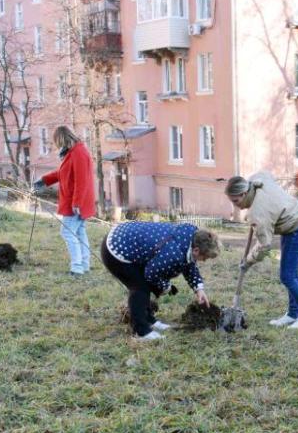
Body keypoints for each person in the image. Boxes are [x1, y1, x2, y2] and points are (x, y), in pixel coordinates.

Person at [225, 172, 298, 330]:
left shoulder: (258, 214)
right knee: (291, 275)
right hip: (291, 225)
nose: (235, 205)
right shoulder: (256, 182)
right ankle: (293, 314)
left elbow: (264, 246)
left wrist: (248, 261)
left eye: (236, 200)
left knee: (287, 276)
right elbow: (264, 173)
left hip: (297, 229)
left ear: (244, 193)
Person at [100, 221, 220, 340]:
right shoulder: (174, 253)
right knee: (140, 287)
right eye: (205, 257)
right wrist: (166, 287)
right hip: (116, 249)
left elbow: (189, 264)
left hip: (126, 239)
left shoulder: (189, 237)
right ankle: (141, 331)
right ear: (196, 250)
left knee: (143, 284)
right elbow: (151, 274)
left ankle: (148, 319)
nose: (204, 260)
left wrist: (199, 289)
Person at [34, 126, 96, 276]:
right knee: (79, 232)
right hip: (75, 201)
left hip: (76, 203)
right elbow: (62, 172)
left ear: (62, 139)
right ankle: (84, 265)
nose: (58, 146)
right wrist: (43, 181)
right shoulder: (73, 152)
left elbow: (81, 181)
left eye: (58, 142)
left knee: (67, 233)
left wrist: (77, 203)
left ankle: (77, 268)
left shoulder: (79, 153)